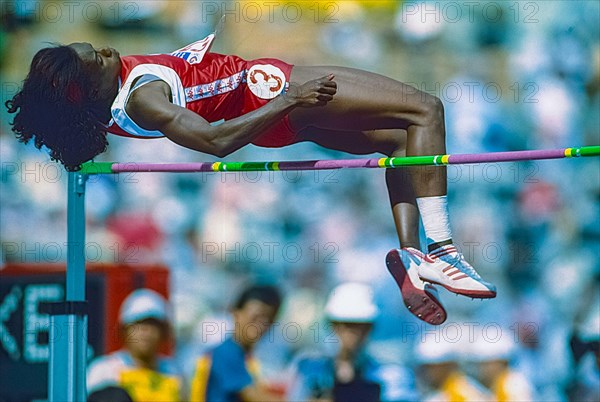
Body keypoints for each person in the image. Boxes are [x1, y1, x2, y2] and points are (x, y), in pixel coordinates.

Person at [6, 34, 496, 324]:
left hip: (274, 113)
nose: (109, 51)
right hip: (279, 93)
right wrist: (292, 98)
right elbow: (216, 144)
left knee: (396, 142)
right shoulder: (142, 97)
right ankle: (445, 249)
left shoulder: (110, 102)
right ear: (87, 87)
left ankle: (411, 257)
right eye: (99, 59)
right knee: (425, 107)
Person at [287, 282, 419, 402]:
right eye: (345, 324)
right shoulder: (309, 369)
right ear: (333, 326)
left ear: (370, 328)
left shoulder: (391, 376)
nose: (352, 333)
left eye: (359, 325)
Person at [189, 284, 283, 402]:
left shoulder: (245, 357)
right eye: (255, 317)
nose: (261, 325)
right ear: (235, 313)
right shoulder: (225, 352)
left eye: (268, 319)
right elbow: (252, 396)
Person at [86, 289, 185, 401]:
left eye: (153, 325)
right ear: (124, 330)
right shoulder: (103, 371)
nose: (146, 331)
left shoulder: (173, 372)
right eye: (138, 324)